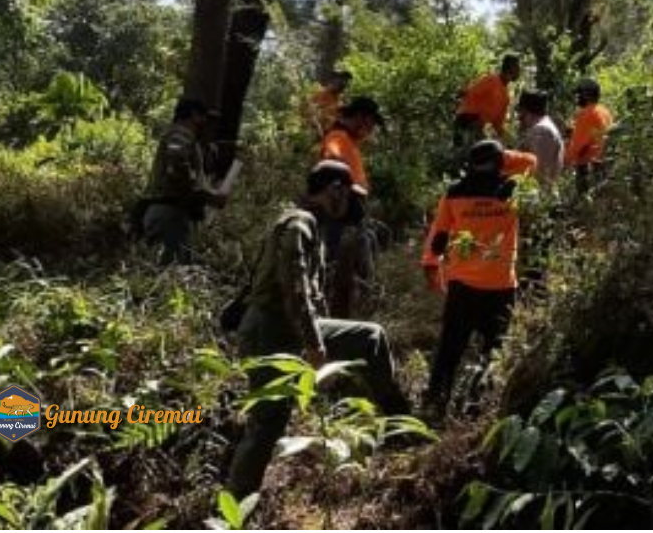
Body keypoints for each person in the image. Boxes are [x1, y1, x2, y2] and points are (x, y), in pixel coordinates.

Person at [227, 160, 411, 497]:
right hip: (272, 329)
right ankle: (233, 508)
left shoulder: (307, 223)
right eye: (346, 194)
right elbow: (294, 288)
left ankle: (396, 425)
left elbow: (307, 291)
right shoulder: (300, 223)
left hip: (283, 327)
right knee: (267, 423)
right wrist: (315, 345)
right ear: (333, 190)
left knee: (370, 337)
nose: (350, 204)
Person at [421, 140, 531, 416]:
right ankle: (480, 409)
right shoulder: (512, 189)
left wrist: (431, 265)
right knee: (494, 352)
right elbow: (531, 161)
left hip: (462, 286)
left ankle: (435, 405)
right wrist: (501, 156)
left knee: (449, 351)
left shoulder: (456, 192)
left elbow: (438, 234)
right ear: (500, 162)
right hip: (501, 285)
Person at [317, 96, 385, 317]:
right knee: (336, 272)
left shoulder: (349, 141)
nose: (371, 130)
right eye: (372, 123)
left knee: (357, 272)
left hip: (351, 222)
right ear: (362, 118)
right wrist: (350, 192)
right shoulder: (337, 138)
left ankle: (352, 312)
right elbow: (332, 166)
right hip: (339, 222)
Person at [142, 97, 226, 264]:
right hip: (169, 213)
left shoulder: (189, 138)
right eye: (204, 117)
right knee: (171, 274)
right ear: (193, 115)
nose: (207, 124)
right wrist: (205, 195)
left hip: (174, 214)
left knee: (174, 272)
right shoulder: (180, 133)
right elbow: (177, 165)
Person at [454, 55, 522, 149]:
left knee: (489, 150)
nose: (519, 71)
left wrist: (512, 142)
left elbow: (498, 126)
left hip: (478, 128)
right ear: (511, 67)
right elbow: (468, 93)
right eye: (518, 67)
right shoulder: (491, 80)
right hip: (466, 123)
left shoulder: (505, 97)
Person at [564, 78, 614, 195]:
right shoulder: (604, 111)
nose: (577, 97)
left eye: (579, 94)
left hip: (588, 167)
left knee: (585, 203)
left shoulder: (586, 114)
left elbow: (578, 146)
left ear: (587, 95)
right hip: (604, 164)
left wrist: (564, 162)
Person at [515, 90, 564, 183]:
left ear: (526, 111)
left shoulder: (542, 131)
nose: (518, 117)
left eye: (520, 111)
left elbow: (539, 170)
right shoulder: (542, 128)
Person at [306, 69, 352, 138]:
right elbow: (313, 115)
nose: (343, 86)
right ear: (332, 80)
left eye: (345, 84)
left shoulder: (339, 100)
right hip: (315, 134)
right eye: (341, 82)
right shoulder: (320, 94)